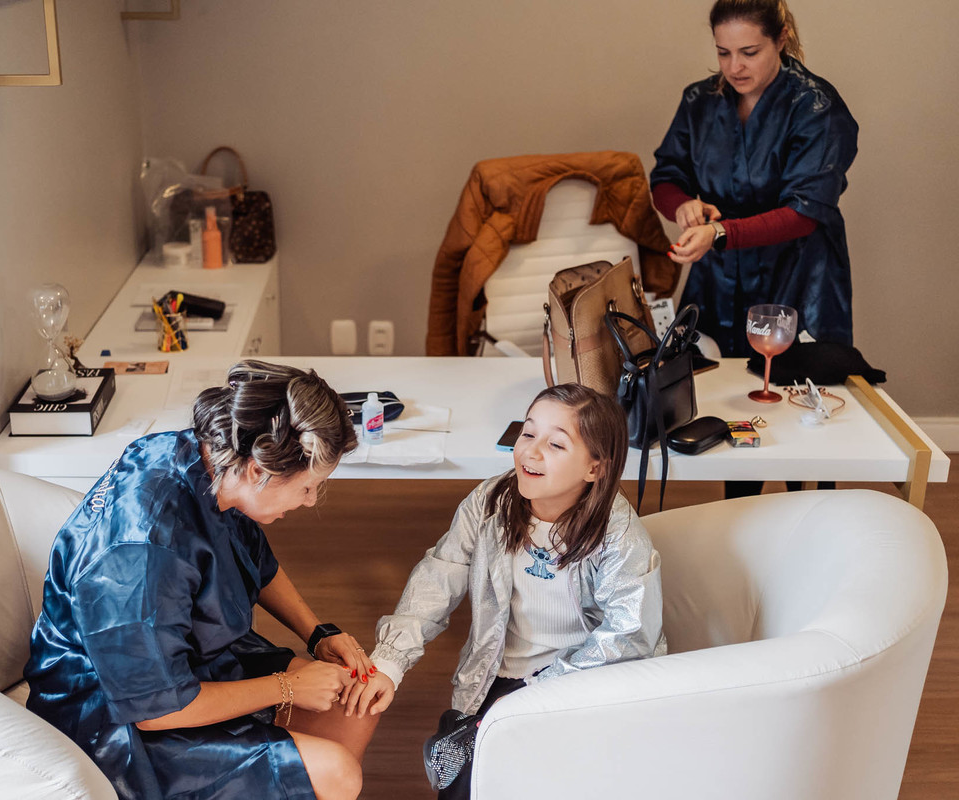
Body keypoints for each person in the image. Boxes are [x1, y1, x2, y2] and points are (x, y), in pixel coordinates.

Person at [25, 360, 379, 800]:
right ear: (258, 471)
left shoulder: (212, 458)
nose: (310, 502)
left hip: (192, 655)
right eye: (308, 488)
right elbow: (155, 710)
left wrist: (318, 633)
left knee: (354, 702)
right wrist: (288, 686)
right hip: (115, 715)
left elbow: (254, 559)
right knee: (338, 773)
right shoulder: (144, 547)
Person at [344, 383, 666, 799]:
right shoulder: (490, 501)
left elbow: (630, 634)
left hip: (581, 684)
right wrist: (390, 662)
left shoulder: (618, 535)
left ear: (595, 468)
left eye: (556, 444)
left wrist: (539, 693)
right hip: (497, 676)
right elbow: (440, 574)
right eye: (528, 433)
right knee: (464, 776)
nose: (531, 451)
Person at [650, 0, 857, 497]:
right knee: (733, 404)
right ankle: (742, 516)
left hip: (800, 276)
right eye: (723, 53)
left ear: (781, 39)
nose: (734, 67)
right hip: (721, 280)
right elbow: (666, 176)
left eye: (749, 52)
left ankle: (814, 520)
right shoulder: (700, 100)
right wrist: (685, 208)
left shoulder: (815, 106)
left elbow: (806, 209)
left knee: (804, 410)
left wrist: (722, 233)